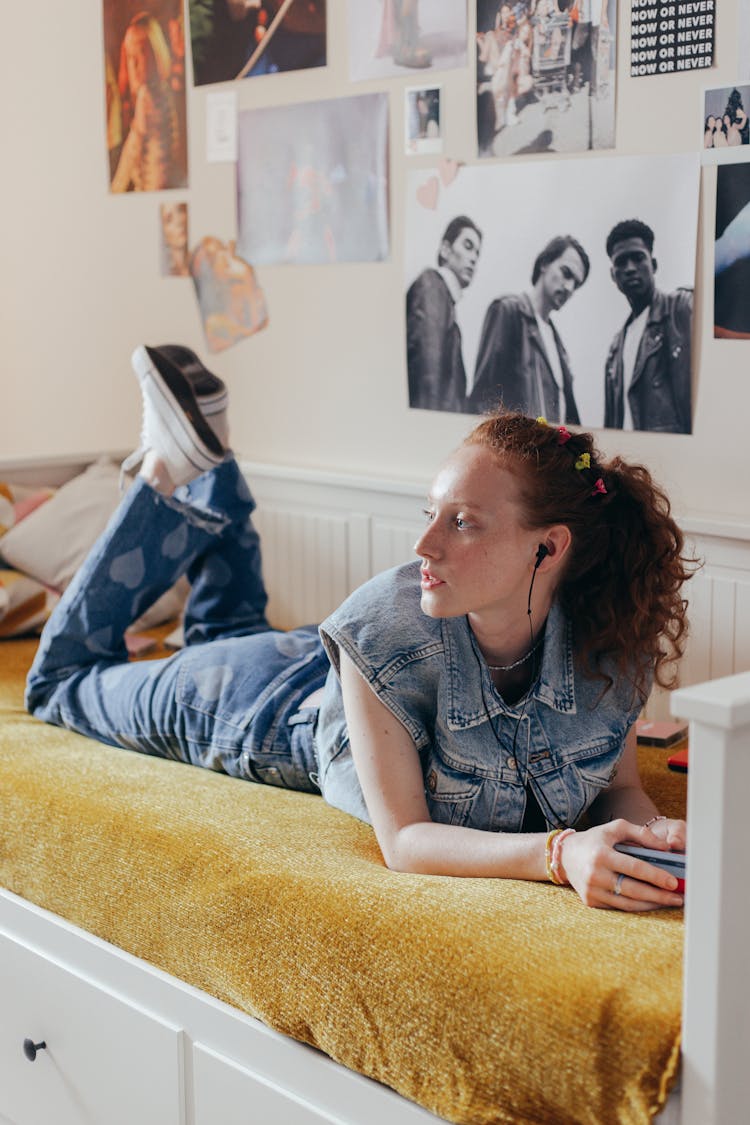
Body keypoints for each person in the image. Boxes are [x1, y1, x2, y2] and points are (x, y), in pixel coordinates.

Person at [27, 349, 690, 912]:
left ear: (548, 548)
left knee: (225, 629)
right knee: (58, 683)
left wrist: (656, 835)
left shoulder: (607, 643)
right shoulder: (387, 626)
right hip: (264, 707)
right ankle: (168, 472)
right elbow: (405, 841)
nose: (423, 542)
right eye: (432, 512)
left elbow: (613, 785)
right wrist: (558, 851)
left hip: (333, 666)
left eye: (463, 522)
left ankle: (214, 461)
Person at [467, 234, 589, 421]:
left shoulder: (557, 345)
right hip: (519, 447)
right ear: (544, 263)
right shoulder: (508, 311)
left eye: (577, 284)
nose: (570, 287)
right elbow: (483, 401)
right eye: (566, 273)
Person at [604, 219, 692, 433]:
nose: (630, 268)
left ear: (653, 265)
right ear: (613, 275)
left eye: (638, 258)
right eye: (621, 262)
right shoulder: (615, 349)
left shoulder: (682, 308)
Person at [406, 216, 483, 412]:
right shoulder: (432, 285)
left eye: (477, 253)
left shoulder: (445, 301)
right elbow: (428, 374)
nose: (474, 258)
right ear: (446, 250)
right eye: (468, 246)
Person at [111, 12, 187, 193]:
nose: (134, 65)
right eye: (130, 57)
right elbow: (133, 145)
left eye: (141, 54)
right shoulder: (148, 95)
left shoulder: (155, 96)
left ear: (156, 51)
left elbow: (156, 163)